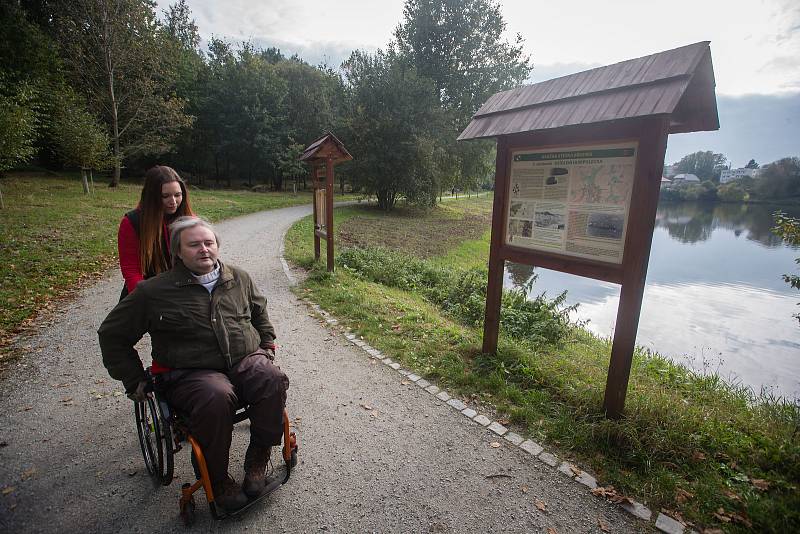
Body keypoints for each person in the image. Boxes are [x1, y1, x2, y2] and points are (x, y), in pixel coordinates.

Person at [98, 216, 288, 511]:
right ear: (178, 252)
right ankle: (217, 478)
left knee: (271, 378)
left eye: (209, 242)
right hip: (190, 372)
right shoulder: (153, 292)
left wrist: (267, 341)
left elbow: (259, 309)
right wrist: (134, 378)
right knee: (215, 396)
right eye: (194, 244)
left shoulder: (238, 277)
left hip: (244, 358)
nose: (204, 249)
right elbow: (112, 335)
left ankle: (258, 457)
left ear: (217, 246)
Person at [118, 165, 194, 299]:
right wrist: (145, 299)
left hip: (184, 291)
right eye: (165, 196)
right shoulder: (132, 222)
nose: (173, 202)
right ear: (151, 196)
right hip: (145, 293)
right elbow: (131, 270)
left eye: (178, 195)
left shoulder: (190, 220)